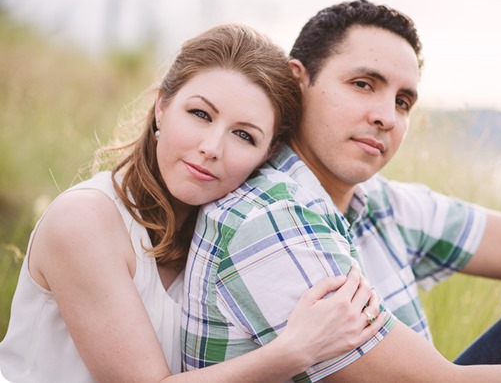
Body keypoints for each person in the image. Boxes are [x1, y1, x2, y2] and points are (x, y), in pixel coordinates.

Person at [183, 0, 501, 382]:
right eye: (363, 84)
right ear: (299, 81)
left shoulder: (375, 200)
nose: (387, 117)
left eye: (402, 101)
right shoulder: (269, 216)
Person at [0, 23, 386, 383]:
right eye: (200, 114)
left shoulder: (227, 234)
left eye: (244, 135)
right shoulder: (85, 220)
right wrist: (294, 351)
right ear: (161, 108)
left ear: (267, 154)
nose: (211, 148)